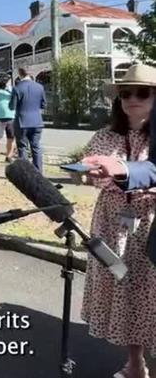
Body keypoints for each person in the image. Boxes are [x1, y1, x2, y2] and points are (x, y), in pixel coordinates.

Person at [73, 64, 156, 378]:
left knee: (151, 295)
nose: (133, 98)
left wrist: (122, 175)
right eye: (125, 93)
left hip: (150, 226)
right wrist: (88, 173)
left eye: (143, 92)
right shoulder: (105, 135)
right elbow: (92, 175)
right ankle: (134, 364)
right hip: (113, 226)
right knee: (125, 294)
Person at [9, 66, 46, 172]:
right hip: (37, 121)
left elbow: (12, 106)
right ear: (30, 74)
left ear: (20, 74)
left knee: (22, 147)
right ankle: (38, 171)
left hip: (22, 121)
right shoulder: (39, 87)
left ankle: (25, 172)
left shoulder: (17, 88)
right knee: (36, 147)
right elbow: (44, 104)